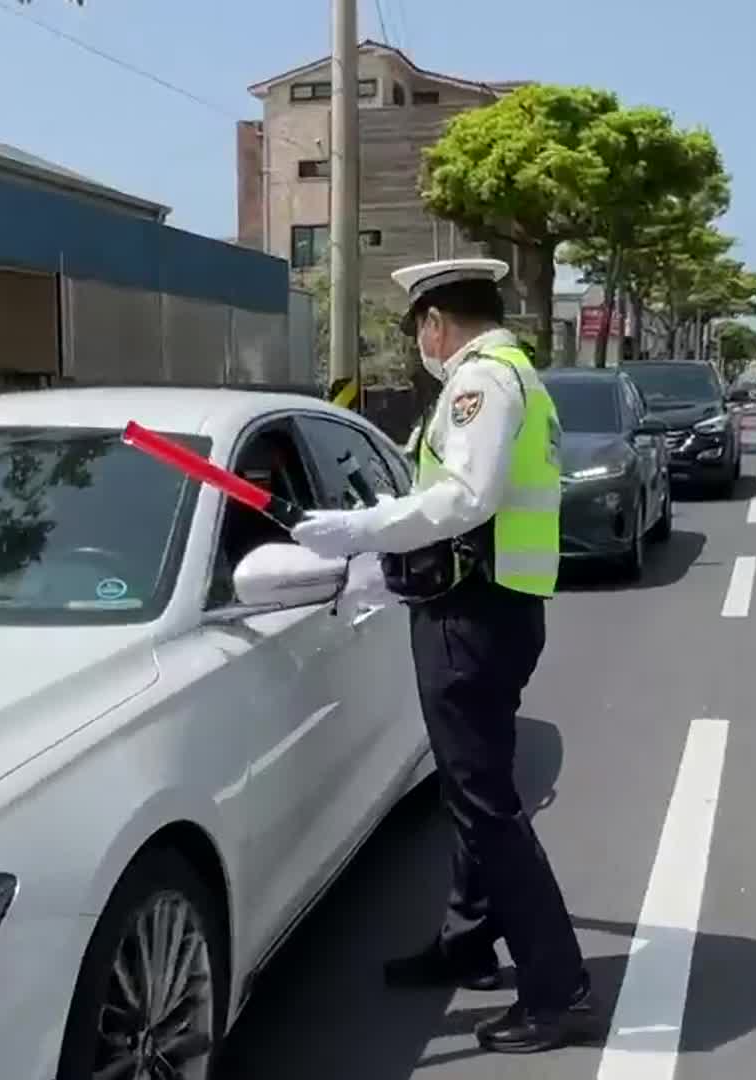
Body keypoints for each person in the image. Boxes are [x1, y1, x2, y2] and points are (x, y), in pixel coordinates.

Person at [289, 257, 594, 1054]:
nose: (423, 343)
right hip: (493, 604)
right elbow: (465, 512)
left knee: (484, 805)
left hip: (473, 619)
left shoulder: (480, 382)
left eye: (419, 328)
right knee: (471, 794)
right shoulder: (519, 374)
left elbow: (465, 498)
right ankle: (467, 941)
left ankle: (557, 989)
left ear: (435, 322)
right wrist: (387, 561)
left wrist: (360, 531)